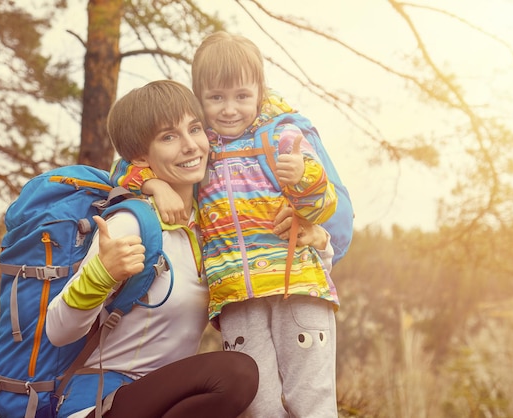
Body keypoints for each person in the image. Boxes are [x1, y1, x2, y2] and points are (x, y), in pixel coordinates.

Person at [111, 31, 341, 417]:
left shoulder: (281, 138)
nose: (230, 109)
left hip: (296, 285)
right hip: (235, 297)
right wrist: (154, 185)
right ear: (200, 97)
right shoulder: (201, 148)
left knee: (311, 397)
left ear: (259, 92)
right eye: (216, 98)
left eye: (241, 96)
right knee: (259, 404)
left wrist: (303, 177)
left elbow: (324, 203)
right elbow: (123, 169)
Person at [45, 80, 259, 418]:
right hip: (99, 403)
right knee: (236, 374)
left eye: (195, 129)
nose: (190, 146)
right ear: (141, 156)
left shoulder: (211, 227)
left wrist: (317, 239)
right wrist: (101, 274)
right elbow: (57, 330)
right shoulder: (132, 224)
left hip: (169, 402)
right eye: (169, 136)